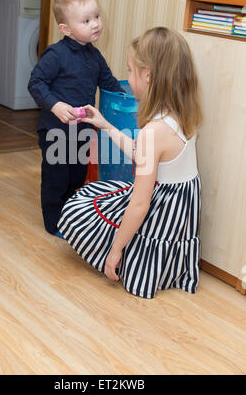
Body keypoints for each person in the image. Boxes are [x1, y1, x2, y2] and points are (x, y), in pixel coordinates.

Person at [57, 27, 203, 299]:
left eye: (130, 71)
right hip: (179, 211)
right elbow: (140, 153)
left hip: (159, 207)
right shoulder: (180, 114)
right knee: (96, 193)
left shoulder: (154, 131)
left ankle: (124, 253)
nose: (128, 77)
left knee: (78, 207)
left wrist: (115, 250)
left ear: (147, 74)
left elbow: (139, 203)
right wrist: (104, 124)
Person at [28, 0, 124, 236]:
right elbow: (36, 83)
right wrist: (56, 105)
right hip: (56, 131)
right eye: (86, 20)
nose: (95, 24)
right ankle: (53, 223)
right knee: (56, 177)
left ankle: (70, 219)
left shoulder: (95, 55)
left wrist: (129, 98)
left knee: (77, 176)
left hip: (82, 131)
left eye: (96, 17)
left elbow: (109, 83)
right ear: (66, 29)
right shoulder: (55, 55)